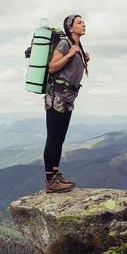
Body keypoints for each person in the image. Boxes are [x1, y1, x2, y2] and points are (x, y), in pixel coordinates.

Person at [43, 14, 90, 193]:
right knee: (53, 138)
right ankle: (50, 181)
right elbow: (52, 67)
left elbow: (70, 69)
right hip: (56, 97)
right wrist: (70, 54)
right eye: (79, 22)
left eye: (83, 22)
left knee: (60, 139)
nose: (83, 24)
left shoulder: (76, 46)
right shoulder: (65, 44)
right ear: (70, 28)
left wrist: (81, 58)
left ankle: (56, 176)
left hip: (68, 99)